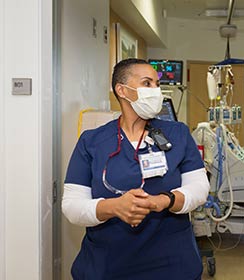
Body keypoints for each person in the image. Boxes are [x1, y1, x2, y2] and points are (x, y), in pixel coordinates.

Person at [62, 58, 210, 279]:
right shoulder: (92, 142)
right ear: (122, 90)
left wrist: (163, 201)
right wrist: (114, 207)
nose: (156, 91)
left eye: (157, 85)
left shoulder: (177, 134)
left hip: (171, 261)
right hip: (109, 263)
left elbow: (199, 188)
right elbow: (72, 205)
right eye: (147, 83)